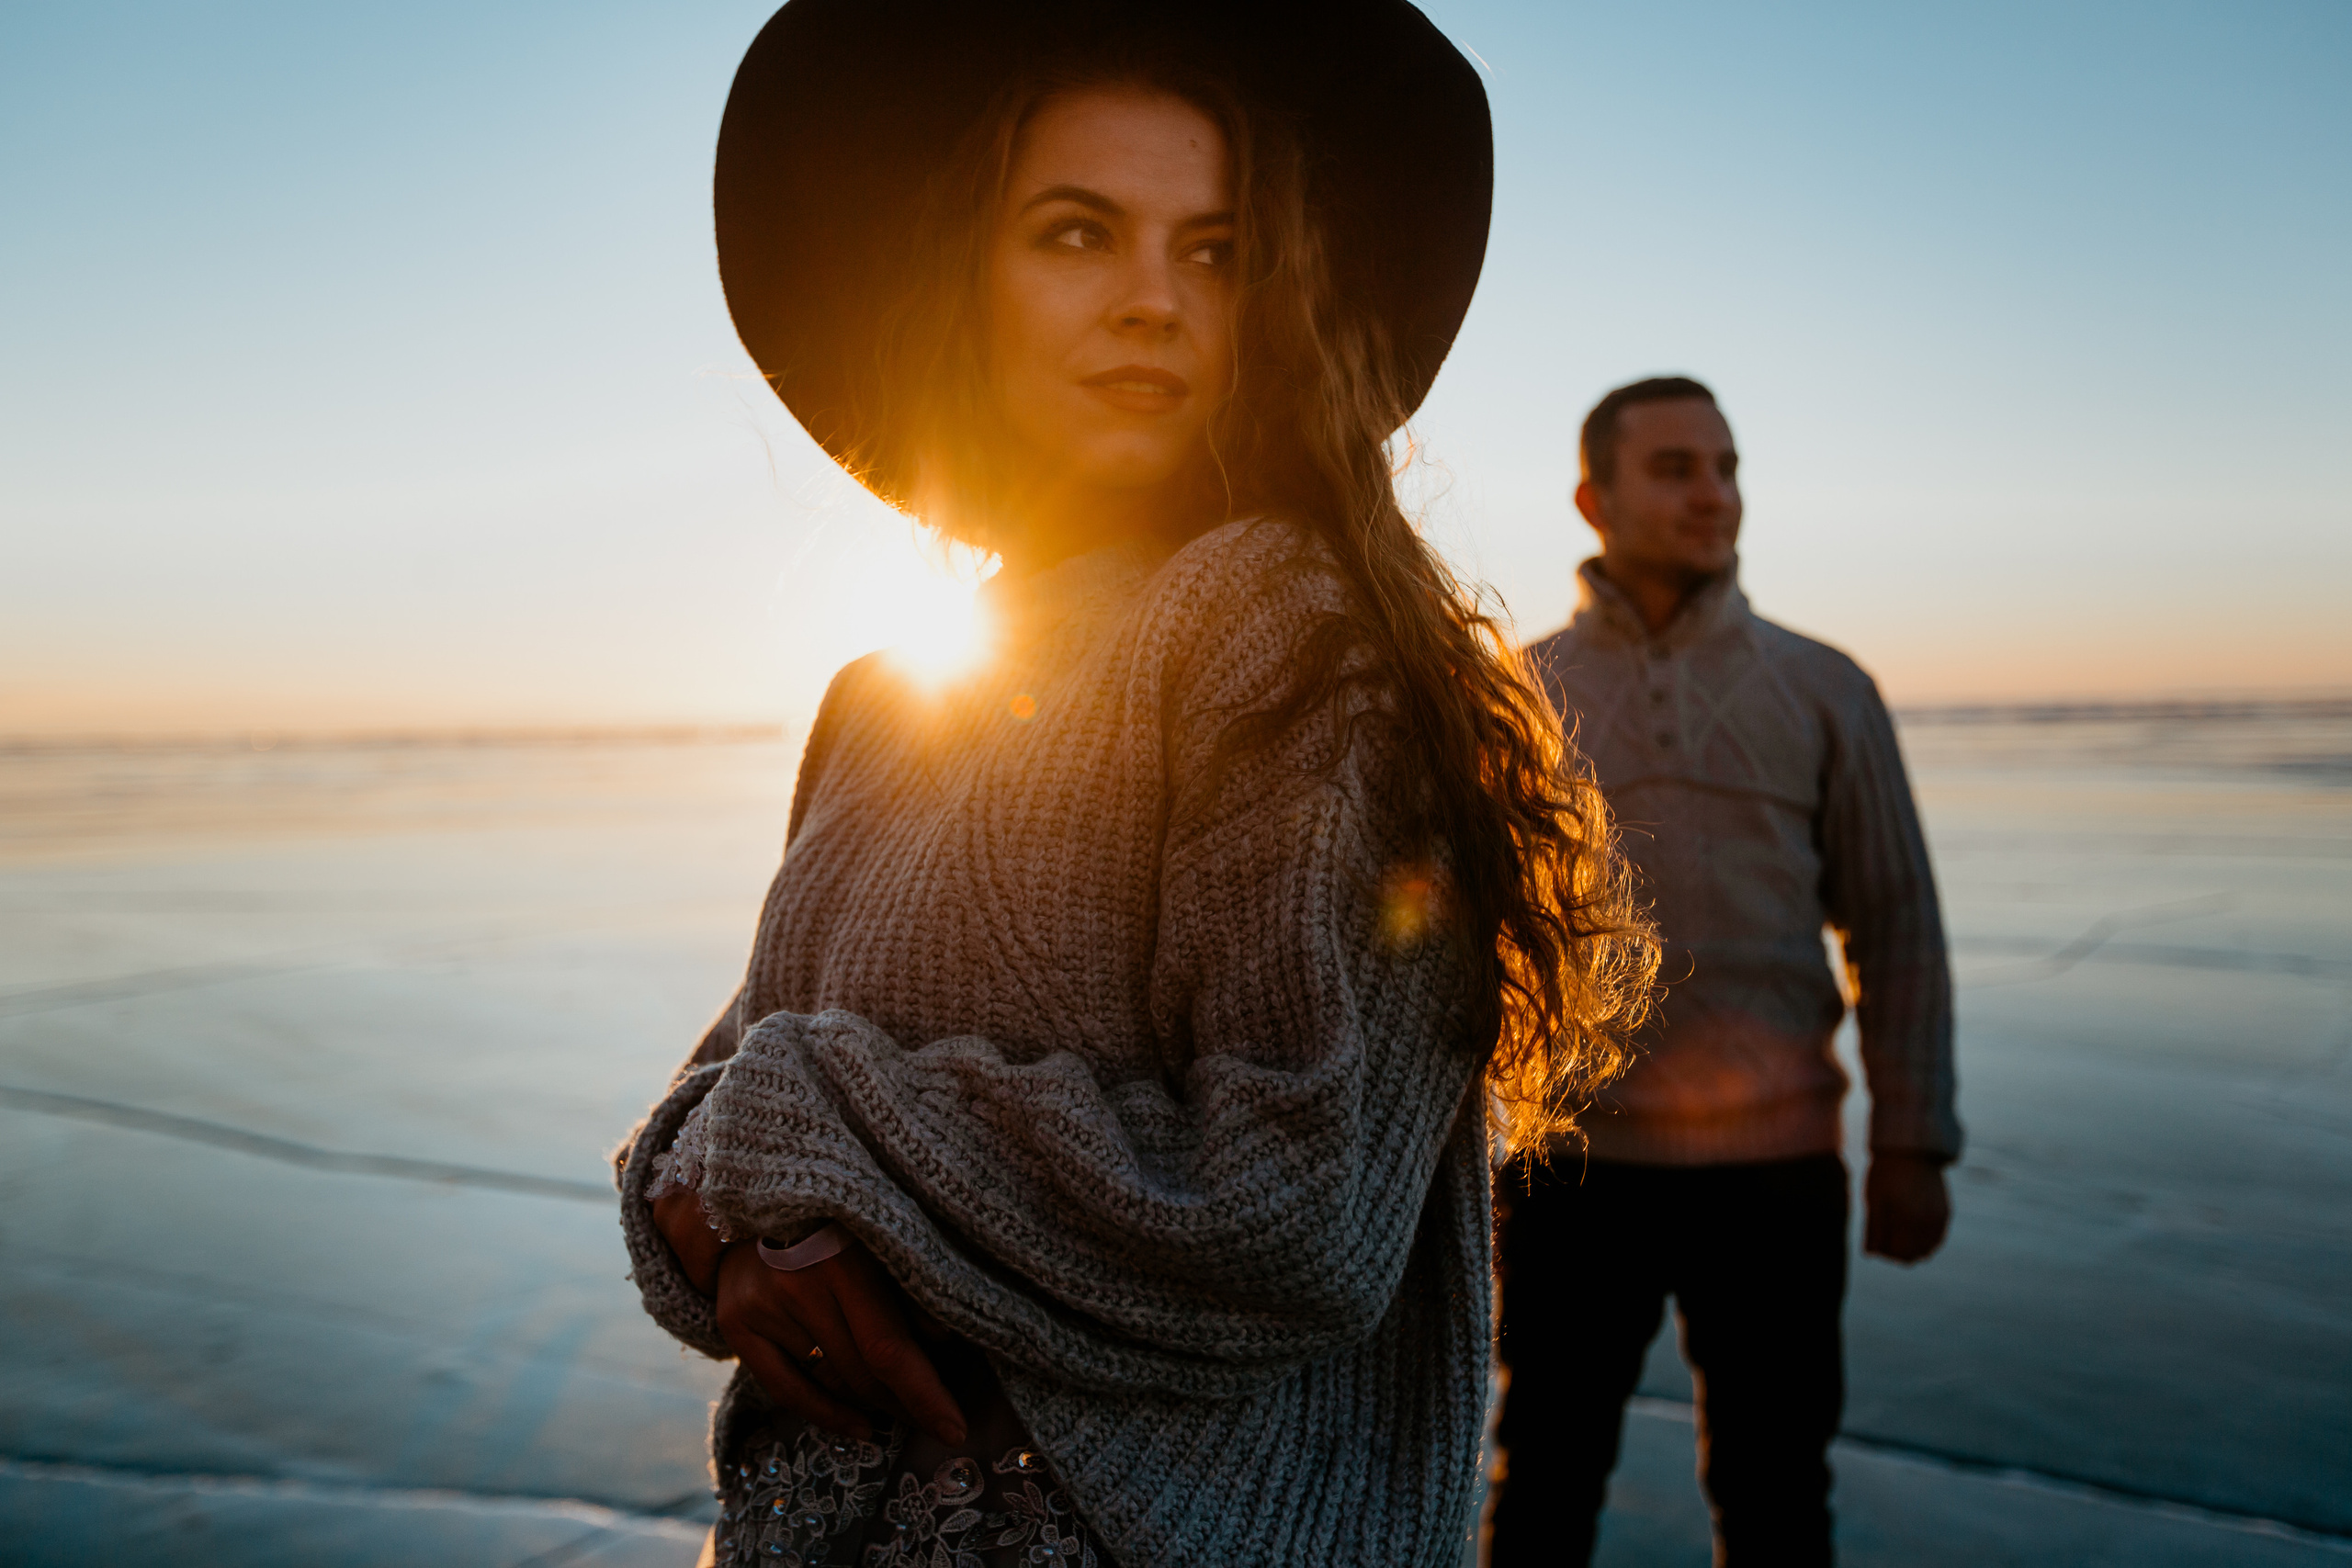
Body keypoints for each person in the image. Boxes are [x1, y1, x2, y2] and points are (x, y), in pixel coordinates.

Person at [610, 5, 1657, 1566]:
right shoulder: (886, 695)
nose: (1154, 303)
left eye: (1219, 252)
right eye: (1079, 234)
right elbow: (722, 1102)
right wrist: (728, 1218)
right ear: (967, 272)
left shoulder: (1285, 630)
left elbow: (1293, 1206)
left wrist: (809, 1149)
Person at [1494, 376, 1962, 1566]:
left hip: (1777, 1177)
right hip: (1570, 1173)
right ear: (1592, 499)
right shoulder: (1519, 696)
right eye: (1676, 468)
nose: (1715, 495)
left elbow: (1896, 921)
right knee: (1542, 1482)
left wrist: (1913, 1140)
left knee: (1775, 1501)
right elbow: (1451, 940)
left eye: (1728, 466)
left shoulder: (1825, 687)